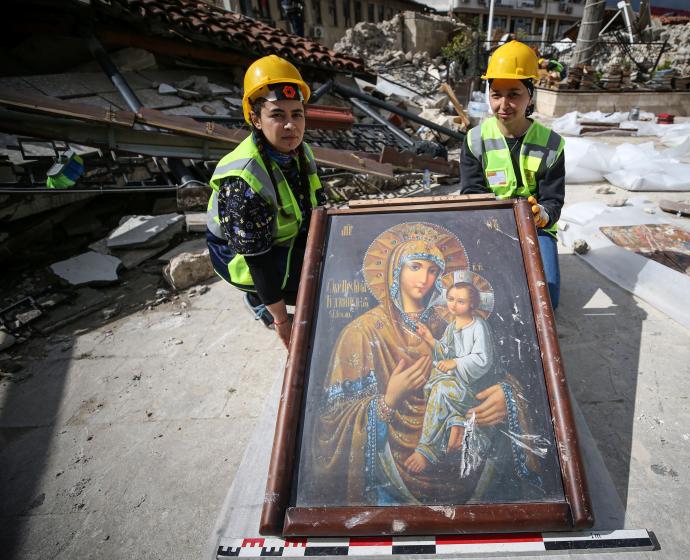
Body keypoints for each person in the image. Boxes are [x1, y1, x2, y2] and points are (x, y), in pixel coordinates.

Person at [306, 223, 546, 506]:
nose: (425, 278)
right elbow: (330, 425)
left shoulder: (454, 322)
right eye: (415, 266)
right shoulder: (362, 333)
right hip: (393, 477)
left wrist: (506, 397)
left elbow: (494, 373)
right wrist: (387, 401)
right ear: (395, 270)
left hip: (466, 464)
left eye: (433, 271)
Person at [205, 55, 324, 348]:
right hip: (242, 257)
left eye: (297, 114)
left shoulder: (301, 152)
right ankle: (258, 299)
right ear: (256, 119)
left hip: (280, 238)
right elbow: (257, 259)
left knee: (332, 265)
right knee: (317, 285)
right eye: (277, 115)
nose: (290, 126)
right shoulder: (244, 179)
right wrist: (283, 322)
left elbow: (317, 203)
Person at [460, 40, 566, 308]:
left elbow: (554, 199)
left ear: (530, 95)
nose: (504, 104)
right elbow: (471, 193)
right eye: (496, 94)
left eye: (514, 94)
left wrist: (542, 215)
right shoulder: (475, 140)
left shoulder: (552, 144)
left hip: (536, 228)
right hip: (491, 225)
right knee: (481, 297)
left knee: (546, 301)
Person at [406, 275, 496, 474]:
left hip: (472, 388)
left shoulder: (478, 326)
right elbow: (446, 352)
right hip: (457, 381)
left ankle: (426, 449)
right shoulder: (451, 326)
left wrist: (455, 362)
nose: (453, 305)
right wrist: (430, 339)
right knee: (429, 376)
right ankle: (453, 423)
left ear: (472, 303)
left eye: (461, 301)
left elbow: (483, 360)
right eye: (451, 299)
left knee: (440, 389)